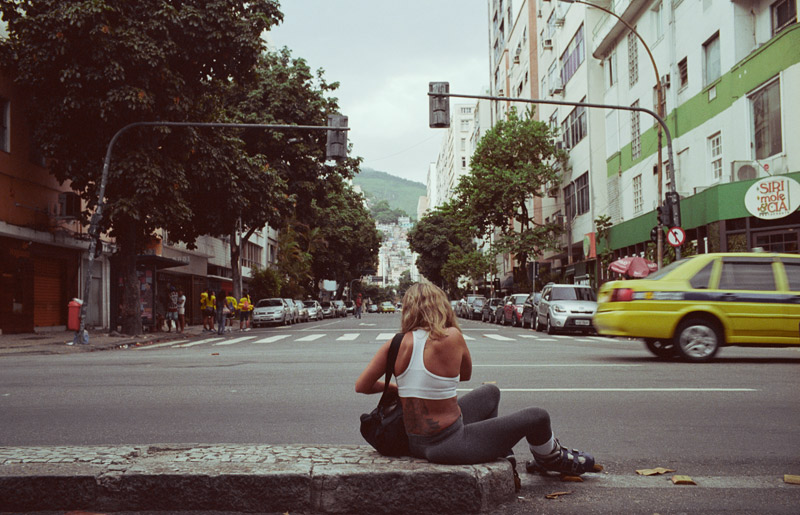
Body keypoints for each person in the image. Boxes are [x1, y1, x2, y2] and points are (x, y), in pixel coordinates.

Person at [355, 281, 597, 477]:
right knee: (538, 416)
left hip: (414, 442)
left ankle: (499, 450)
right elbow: (465, 375)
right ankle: (549, 458)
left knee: (491, 393)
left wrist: (404, 389)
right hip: (448, 444)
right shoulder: (450, 336)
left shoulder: (396, 342)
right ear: (441, 307)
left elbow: (362, 386)